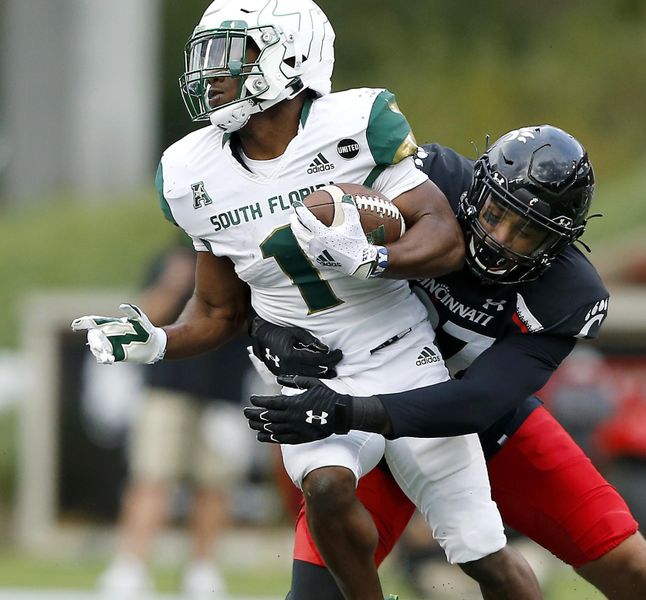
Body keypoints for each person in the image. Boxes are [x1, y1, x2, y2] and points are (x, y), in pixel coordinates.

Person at [71, 1, 541, 599]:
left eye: (233, 53)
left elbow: (445, 239)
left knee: (482, 553)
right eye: (208, 56)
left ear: (291, 57)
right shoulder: (191, 171)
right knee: (324, 485)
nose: (212, 73)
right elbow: (218, 312)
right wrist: (159, 341)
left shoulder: (356, 123)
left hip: (402, 357)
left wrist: (374, 258)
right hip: (305, 374)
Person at [245, 125, 646, 600]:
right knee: (315, 596)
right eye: (496, 214)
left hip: (472, 425)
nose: (501, 239)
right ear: (476, 190)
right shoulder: (428, 183)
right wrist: (264, 331)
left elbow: (478, 401)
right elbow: (278, 267)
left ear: (559, 244)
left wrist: (347, 409)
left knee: (631, 570)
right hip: (357, 399)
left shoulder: (569, 294)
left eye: (528, 233)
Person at [96, 239, 252, 600]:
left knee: (215, 484)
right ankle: (131, 566)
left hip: (223, 390)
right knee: (152, 476)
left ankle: (202, 570)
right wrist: (172, 283)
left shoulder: (244, 250)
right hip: (167, 385)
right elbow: (141, 318)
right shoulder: (172, 258)